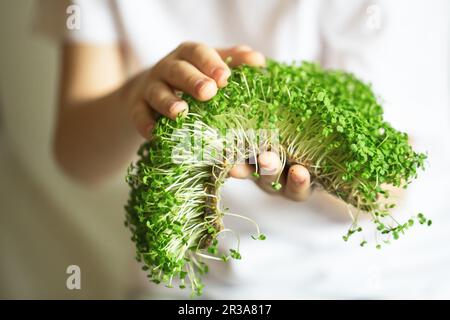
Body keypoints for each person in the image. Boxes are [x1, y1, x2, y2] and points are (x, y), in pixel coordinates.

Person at [33, 0, 450, 298]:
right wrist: (134, 96)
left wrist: (324, 175)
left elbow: (387, 186)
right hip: (197, 288)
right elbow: (77, 157)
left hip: (373, 279)